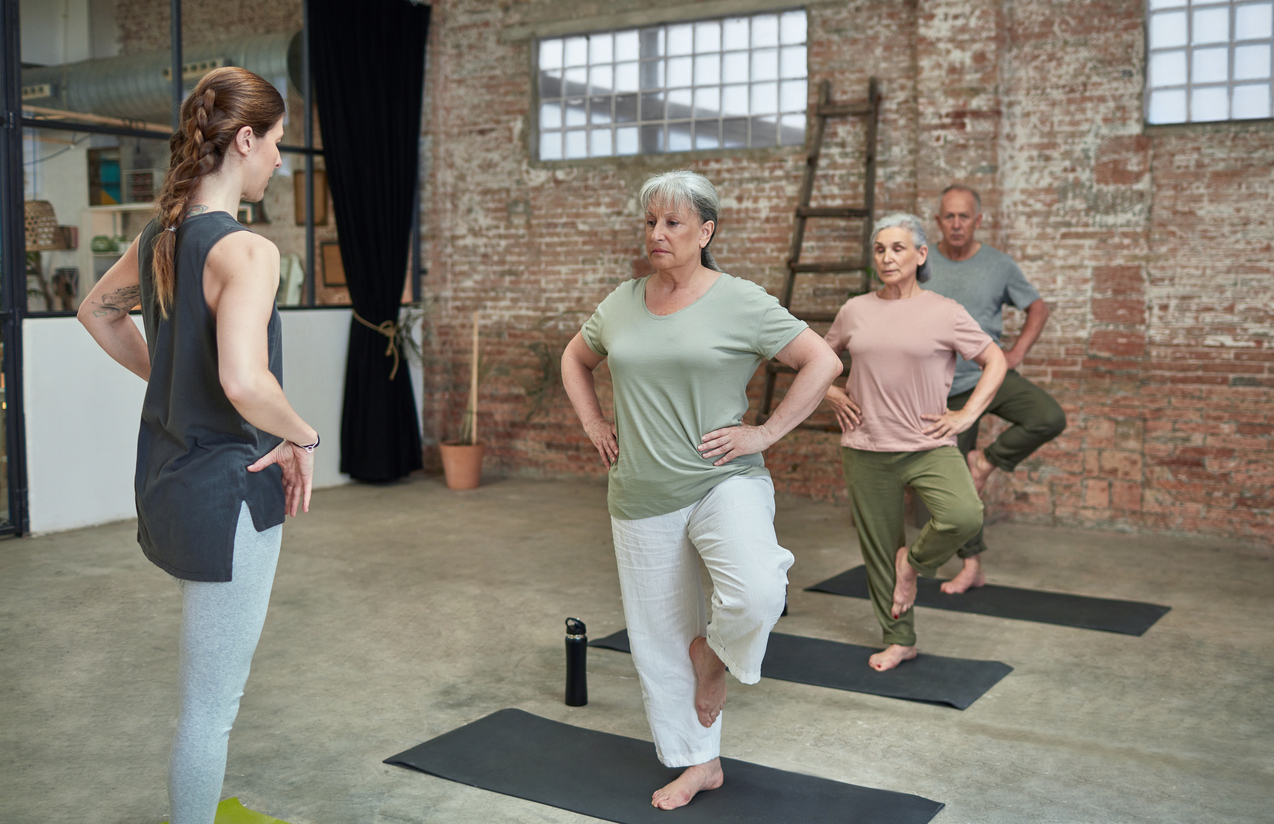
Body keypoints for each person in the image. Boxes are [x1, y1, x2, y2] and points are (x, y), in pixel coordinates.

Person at [78, 67, 318, 824]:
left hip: (170, 487)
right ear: (244, 139)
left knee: (207, 698)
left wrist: (175, 383)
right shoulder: (246, 252)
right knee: (211, 709)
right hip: (230, 493)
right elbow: (246, 384)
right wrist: (304, 433)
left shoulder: (161, 236)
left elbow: (96, 312)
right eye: (276, 143)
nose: (280, 160)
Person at [561, 170, 842, 810]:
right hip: (640, 490)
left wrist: (765, 433)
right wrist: (593, 421)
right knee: (660, 640)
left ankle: (714, 657)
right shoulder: (623, 301)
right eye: (651, 223)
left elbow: (822, 361)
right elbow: (574, 358)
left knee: (759, 587)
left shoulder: (740, 300)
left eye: (673, 223)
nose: (657, 234)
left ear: (706, 230)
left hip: (724, 478)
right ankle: (698, 763)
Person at [823, 213, 1006, 672]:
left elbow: (995, 360)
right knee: (879, 551)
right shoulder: (855, 310)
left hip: (928, 444)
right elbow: (819, 360)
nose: (887, 257)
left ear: (921, 254)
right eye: (880, 249)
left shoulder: (945, 311)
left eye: (898, 248)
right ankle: (899, 638)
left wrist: (967, 414)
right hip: (866, 447)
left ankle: (915, 563)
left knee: (964, 515)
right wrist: (831, 391)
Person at [927, 185, 1067, 594]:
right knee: (956, 488)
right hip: (945, 389)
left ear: (978, 220)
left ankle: (985, 461)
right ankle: (972, 565)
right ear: (938, 221)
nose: (956, 224)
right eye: (949, 217)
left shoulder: (999, 265)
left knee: (1048, 417)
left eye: (964, 217)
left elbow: (1037, 307)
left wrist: (1016, 353)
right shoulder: (923, 261)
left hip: (991, 375)